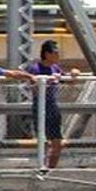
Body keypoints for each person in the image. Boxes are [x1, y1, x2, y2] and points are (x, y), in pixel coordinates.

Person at [25, 40, 80, 169]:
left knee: (57, 142)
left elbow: (67, 80)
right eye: (55, 53)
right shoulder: (35, 68)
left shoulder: (55, 68)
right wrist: (47, 81)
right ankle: (41, 167)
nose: (58, 56)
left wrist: (74, 74)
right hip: (40, 107)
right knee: (43, 141)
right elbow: (33, 88)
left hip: (53, 108)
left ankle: (51, 168)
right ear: (47, 54)